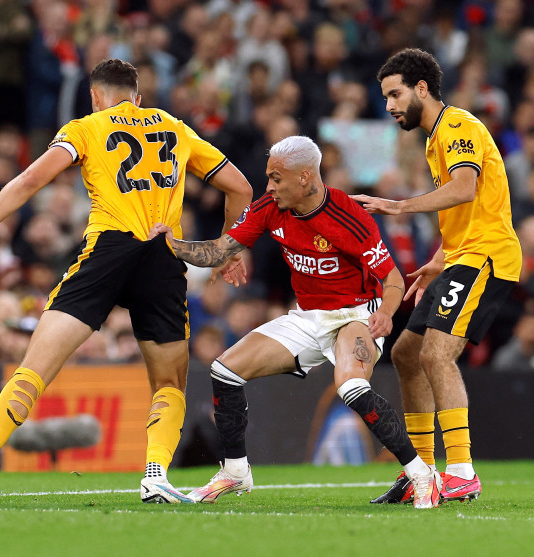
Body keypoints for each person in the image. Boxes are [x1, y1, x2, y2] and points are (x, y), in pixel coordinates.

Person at [0, 59, 253, 503]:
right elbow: (241, 188)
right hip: (162, 257)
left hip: (108, 253)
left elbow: (28, 180)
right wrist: (228, 251)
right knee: (170, 384)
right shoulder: (175, 127)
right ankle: (155, 476)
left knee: (35, 368)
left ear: (95, 96)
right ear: (137, 97)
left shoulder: (87, 127)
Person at [150, 135, 442, 509]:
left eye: (276, 178)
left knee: (351, 385)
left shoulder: (349, 216)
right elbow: (220, 250)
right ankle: (235, 472)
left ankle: (422, 475)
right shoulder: (270, 207)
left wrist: (385, 312)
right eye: (268, 177)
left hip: (356, 314)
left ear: (305, 177)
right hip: (307, 317)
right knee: (225, 371)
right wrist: (174, 245)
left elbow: (394, 279)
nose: (268, 186)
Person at [352, 49, 522, 503]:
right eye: (385, 96)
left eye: (394, 94)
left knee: (436, 355)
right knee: (407, 354)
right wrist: (439, 258)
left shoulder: (458, 126)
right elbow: (471, 204)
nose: (388, 105)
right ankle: (421, 472)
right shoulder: (433, 139)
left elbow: (465, 188)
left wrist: (401, 204)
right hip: (461, 255)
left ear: (421, 89)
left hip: (487, 257)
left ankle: (462, 471)